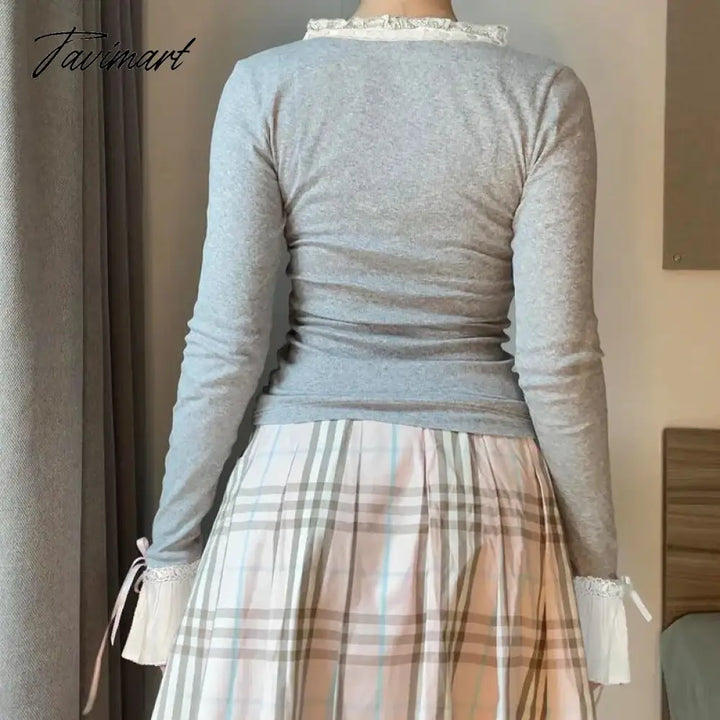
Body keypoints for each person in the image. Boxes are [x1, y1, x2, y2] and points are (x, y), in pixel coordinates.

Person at [83, 1, 651, 717]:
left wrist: (172, 554)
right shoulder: (542, 96)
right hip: (485, 503)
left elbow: (227, 343)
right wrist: (596, 575)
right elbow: (557, 360)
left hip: (290, 497)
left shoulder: (266, 86)